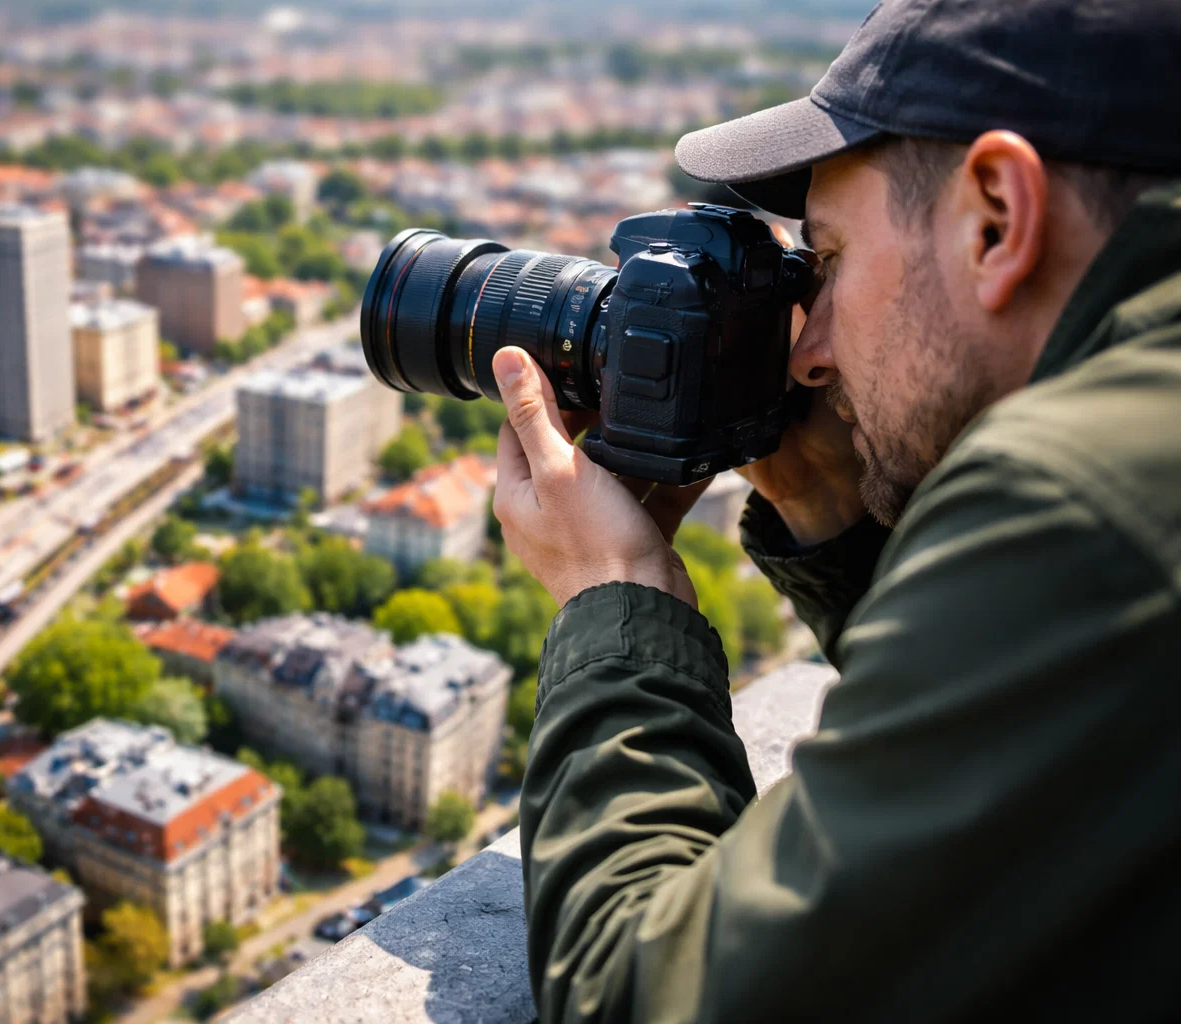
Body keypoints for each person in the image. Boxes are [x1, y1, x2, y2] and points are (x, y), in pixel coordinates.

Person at [491, 2, 1181, 1021]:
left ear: (996, 215)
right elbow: (1007, 798)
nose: (810, 350)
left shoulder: (1083, 496)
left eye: (831, 258)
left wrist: (616, 592)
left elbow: (644, 999)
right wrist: (826, 511)